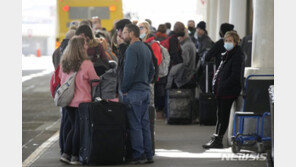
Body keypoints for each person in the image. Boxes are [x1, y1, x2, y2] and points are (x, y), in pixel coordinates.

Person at [59, 36, 100, 164]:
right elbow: (94, 81)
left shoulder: (64, 62)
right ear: (81, 48)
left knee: (72, 127)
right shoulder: (86, 64)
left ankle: (66, 154)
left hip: (68, 101)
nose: (87, 47)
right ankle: (74, 156)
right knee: (78, 129)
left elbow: (61, 81)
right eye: (85, 45)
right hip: (82, 102)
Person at [203, 31, 244, 149]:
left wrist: (222, 86)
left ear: (236, 42)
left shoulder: (237, 55)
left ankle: (218, 139)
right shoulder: (227, 54)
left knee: (223, 115)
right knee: (219, 114)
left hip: (228, 91)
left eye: (230, 41)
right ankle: (216, 137)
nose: (227, 43)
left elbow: (234, 75)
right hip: (222, 91)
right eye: (226, 41)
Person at [121, 24, 155, 164]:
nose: (122, 35)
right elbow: (153, 69)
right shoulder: (146, 48)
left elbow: (129, 72)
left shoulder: (131, 49)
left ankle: (138, 155)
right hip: (145, 90)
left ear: (131, 34)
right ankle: (149, 154)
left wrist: (124, 88)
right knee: (145, 124)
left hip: (134, 92)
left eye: (124, 32)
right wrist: (146, 81)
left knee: (135, 125)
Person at [114, 19, 132, 102]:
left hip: (128, 89)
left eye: (118, 30)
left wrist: (121, 45)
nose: (118, 34)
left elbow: (125, 64)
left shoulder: (130, 46)